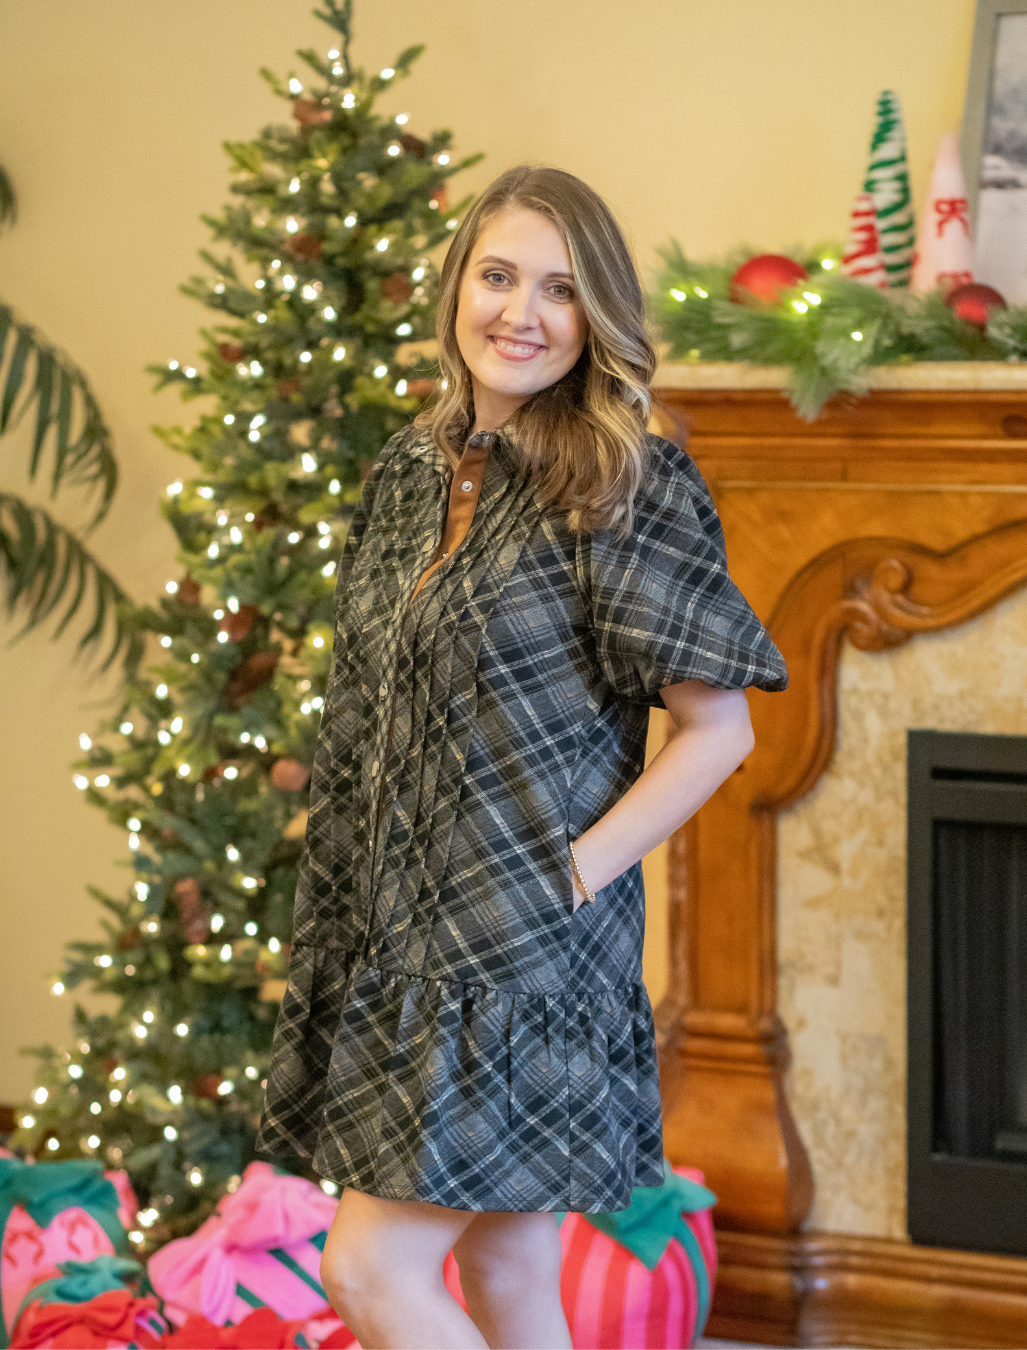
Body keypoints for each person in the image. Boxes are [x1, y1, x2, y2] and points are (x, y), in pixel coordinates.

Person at [257, 164, 787, 1350]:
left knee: (369, 1272)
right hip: (399, 940)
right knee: (505, 1271)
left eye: (560, 288)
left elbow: (721, 730)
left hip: (521, 955)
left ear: (596, 315)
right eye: (498, 276)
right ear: (458, 285)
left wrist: (574, 874)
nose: (522, 312)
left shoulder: (623, 479)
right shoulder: (409, 471)